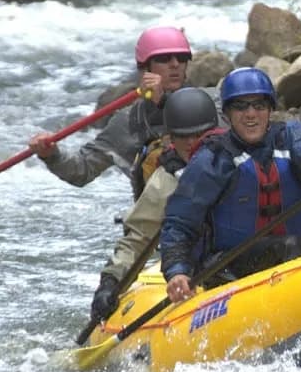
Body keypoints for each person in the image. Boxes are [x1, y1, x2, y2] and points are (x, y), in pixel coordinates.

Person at [160, 67, 301, 303]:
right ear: (227, 113)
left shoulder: (292, 137)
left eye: (259, 105)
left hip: (291, 257)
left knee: (291, 247)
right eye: (241, 106)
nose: (251, 114)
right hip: (228, 267)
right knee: (290, 247)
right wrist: (177, 270)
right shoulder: (213, 159)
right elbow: (179, 222)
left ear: (270, 110)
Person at [88, 87, 221, 322]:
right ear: (170, 138)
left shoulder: (236, 159)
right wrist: (109, 284)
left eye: (198, 134)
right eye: (182, 136)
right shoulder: (165, 182)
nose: (191, 143)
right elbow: (137, 239)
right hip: (199, 272)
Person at [28, 26, 208, 198]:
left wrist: (163, 102)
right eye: (164, 59)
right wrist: (52, 155)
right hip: (160, 215)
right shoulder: (128, 121)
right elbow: (82, 170)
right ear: (145, 69)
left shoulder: (212, 103)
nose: (175, 64)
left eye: (182, 57)